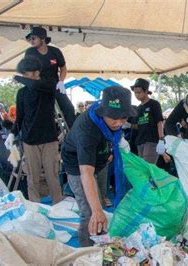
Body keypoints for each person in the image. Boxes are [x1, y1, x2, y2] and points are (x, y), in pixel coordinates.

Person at [61, 86, 137, 246]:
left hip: (101, 160)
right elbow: (86, 173)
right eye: (114, 118)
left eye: (123, 118)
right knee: (90, 211)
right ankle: (87, 253)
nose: (118, 123)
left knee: (100, 203)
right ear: (103, 113)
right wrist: (96, 211)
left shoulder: (113, 124)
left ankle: (101, 246)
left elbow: (115, 139)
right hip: (77, 164)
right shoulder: (87, 129)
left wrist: (110, 150)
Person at [9, 57, 63, 204]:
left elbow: (39, 85)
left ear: (36, 72)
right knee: (33, 177)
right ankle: (35, 207)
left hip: (49, 139)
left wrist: (18, 78)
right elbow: (20, 116)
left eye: (25, 74)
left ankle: (58, 206)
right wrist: (13, 133)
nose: (23, 77)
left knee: (52, 176)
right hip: (29, 140)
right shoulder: (22, 93)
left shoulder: (48, 85)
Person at [24, 26, 75, 128]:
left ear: (42, 38)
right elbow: (27, 70)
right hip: (38, 86)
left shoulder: (55, 51)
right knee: (41, 111)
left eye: (33, 38)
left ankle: (73, 133)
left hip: (55, 85)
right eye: (29, 39)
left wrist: (61, 82)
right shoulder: (30, 52)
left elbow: (63, 67)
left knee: (69, 108)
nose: (31, 41)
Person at [130, 78, 164, 164]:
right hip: (140, 142)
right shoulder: (138, 108)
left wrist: (161, 140)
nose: (136, 95)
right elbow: (136, 125)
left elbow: (159, 122)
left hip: (151, 141)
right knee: (142, 168)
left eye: (139, 92)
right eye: (135, 93)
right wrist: (127, 124)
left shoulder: (154, 104)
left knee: (147, 168)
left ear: (146, 91)